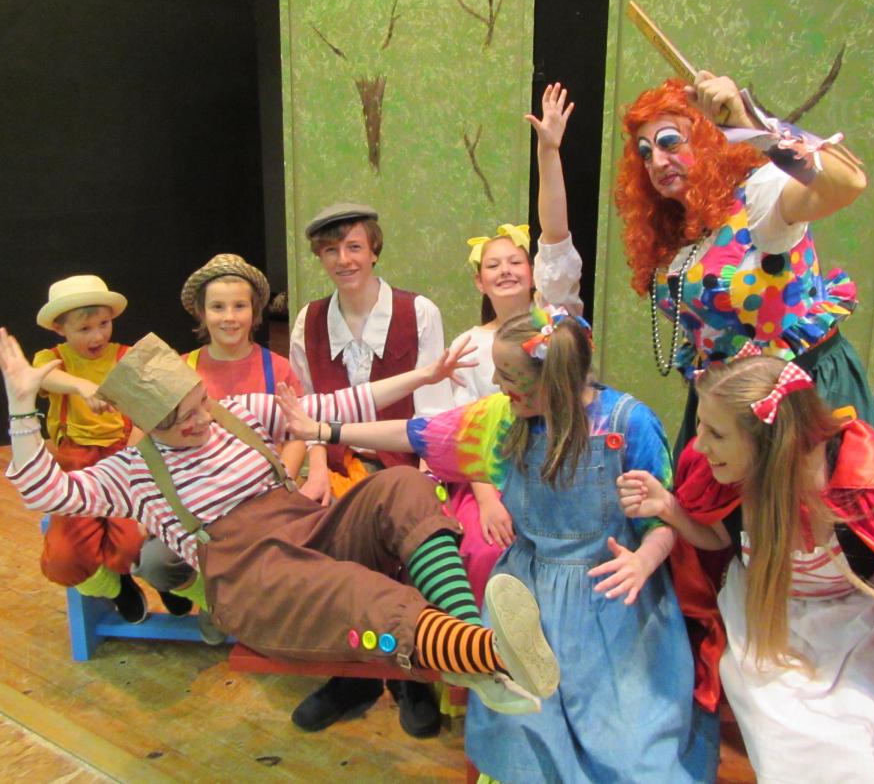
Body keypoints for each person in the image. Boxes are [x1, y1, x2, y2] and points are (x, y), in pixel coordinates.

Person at [0, 327, 559, 719]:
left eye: (199, 404)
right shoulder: (133, 472)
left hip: (308, 530)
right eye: (180, 421)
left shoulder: (236, 414)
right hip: (253, 579)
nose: (200, 422)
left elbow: (340, 405)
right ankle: (488, 654)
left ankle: (468, 647)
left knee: (402, 486)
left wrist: (423, 374)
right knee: (353, 590)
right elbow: (45, 491)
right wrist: (22, 407)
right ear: (149, 424)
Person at [276, 309, 717, 782]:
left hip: (615, 606)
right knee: (527, 736)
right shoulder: (503, 419)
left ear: (553, 381)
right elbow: (415, 434)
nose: (494, 381)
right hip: (527, 603)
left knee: (627, 743)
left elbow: (662, 519)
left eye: (507, 374)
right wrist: (323, 431)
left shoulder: (629, 424)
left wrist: (644, 561)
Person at [618, 355, 874, 783]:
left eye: (716, 433)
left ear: (770, 443)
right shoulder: (726, 479)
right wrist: (669, 507)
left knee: (865, 746)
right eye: (700, 426)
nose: (698, 446)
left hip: (860, 626)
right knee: (785, 741)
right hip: (765, 617)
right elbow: (719, 538)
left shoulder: (871, 485)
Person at [615, 72, 874, 453]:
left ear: (708, 137)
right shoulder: (675, 231)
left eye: (669, 142)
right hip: (725, 409)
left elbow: (848, 183)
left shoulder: (760, 197)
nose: (657, 161)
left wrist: (752, 125)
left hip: (799, 401)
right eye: (646, 153)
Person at [288, 202, 455, 735]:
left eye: (354, 246)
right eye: (331, 250)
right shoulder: (309, 320)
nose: (344, 259)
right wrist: (316, 469)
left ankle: (410, 674)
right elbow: (307, 408)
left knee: (412, 544)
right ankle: (351, 674)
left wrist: (428, 478)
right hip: (339, 462)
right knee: (330, 554)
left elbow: (434, 409)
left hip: (404, 459)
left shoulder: (418, 312)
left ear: (374, 249)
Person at [447, 82, 584, 606]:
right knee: (486, 551)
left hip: (560, 463)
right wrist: (486, 500)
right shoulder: (467, 346)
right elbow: (464, 434)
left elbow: (556, 233)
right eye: (492, 265)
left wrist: (549, 153)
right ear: (479, 282)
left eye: (515, 261)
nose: (505, 270)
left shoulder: (555, 318)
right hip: (492, 477)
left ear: (533, 272)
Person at [134, 253, 307, 643]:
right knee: (156, 562)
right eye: (217, 307)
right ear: (201, 312)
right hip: (193, 504)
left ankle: (261, 612)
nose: (229, 317)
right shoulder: (179, 368)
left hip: (259, 501)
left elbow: (298, 433)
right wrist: (149, 505)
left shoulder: (277, 369)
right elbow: (142, 441)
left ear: (255, 312)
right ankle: (214, 601)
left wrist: (285, 484)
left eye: (239, 306)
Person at [29, 274, 178, 623]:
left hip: (126, 458)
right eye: (84, 329)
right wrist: (81, 386)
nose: (97, 336)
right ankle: (117, 587)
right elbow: (38, 377)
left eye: (104, 324)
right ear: (59, 328)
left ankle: (165, 581)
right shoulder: (52, 359)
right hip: (77, 466)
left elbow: (165, 387)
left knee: (133, 541)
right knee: (64, 556)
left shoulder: (125, 356)